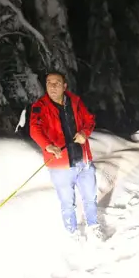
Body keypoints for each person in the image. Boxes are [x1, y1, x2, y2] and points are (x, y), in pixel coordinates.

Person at [29, 71, 103, 239]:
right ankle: (72, 233)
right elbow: (34, 129)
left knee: (90, 198)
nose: (52, 86)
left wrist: (84, 133)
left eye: (57, 83)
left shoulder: (75, 101)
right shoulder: (40, 106)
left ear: (64, 86)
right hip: (60, 165)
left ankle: (93, 227)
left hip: (83, 161)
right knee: (67, 203)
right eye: (49, 83)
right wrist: (48, 145)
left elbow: (90, 120)